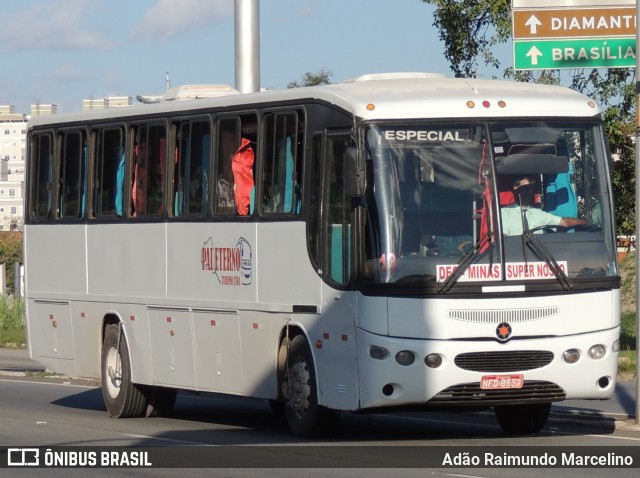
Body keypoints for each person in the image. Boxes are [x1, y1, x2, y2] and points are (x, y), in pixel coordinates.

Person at [501, 177, 585, 236]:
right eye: (525, 188)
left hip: (541, 255)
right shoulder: (504, 213)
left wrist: (585, 223)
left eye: (530, 189)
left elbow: (564, 222)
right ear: (516, 188)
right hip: (517, 257)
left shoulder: (537, 213)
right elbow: (505, 241)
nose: (528, 192)